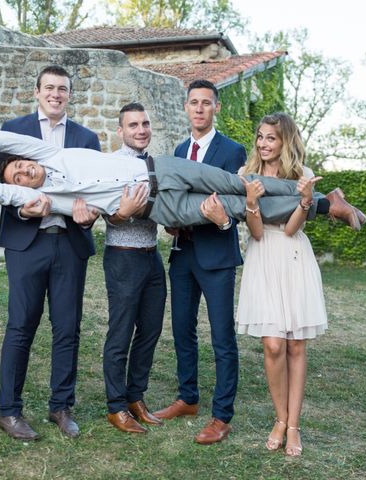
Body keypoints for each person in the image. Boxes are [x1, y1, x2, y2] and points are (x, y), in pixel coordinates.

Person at [0, 129, 363, 229]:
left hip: (161, 168)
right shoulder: (47, 195)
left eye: (21, 166)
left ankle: (322, 195)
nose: (24, 172)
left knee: (234, 182)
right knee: (235, 208)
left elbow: (5, 137)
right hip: (157, 207)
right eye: (19, 176)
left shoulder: (48, 151)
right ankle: (325, 207)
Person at [0, 65, 100, 440]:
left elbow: (96, 192)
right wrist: (22, 209)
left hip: (69, 242)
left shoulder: (87, 139)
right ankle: (9, 411)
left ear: (70, 95)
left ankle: (61, 406)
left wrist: (87, 220)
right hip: (27, 242)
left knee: (67, 328)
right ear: (37, 91)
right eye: (49, 88)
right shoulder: (13, 130)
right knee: (21, 326)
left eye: (63, 89)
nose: (56, 94)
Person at [153, 79, 246, 446]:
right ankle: (187, 398)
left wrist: (221, 219)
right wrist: (172, 224)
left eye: (206, 103)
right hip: (182, 253)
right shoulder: (178, 149)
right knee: (181, 330)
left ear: (216, 108)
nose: (199, 108)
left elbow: (239, 205)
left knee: (222, 337)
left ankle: (222, 415)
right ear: (186, 107)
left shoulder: (233, 151)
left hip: (217, 253)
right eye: (194, 102)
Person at [236, 112, 329, 457]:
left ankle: (292, 426)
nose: (263, 144)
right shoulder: (247, 176)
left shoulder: (302, 175)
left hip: (293, 257)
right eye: (260, 137)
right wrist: (250, 202)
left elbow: (291, 229)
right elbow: (257, 233)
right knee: (273, 345)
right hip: (263, 256)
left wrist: (306, 200)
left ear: (285, 141)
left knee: (295, 346)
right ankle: (279, 417)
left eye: (271, 138)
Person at [102, 103, 166, 434]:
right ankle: (116, 407)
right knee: (121, 332)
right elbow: (107, 214)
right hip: (123, 255)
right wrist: (122, 212)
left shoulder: (155, 165)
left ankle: (135, 397)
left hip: (152, 256)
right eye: (133, 125)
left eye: (145, 124)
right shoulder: (111, 164)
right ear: (121, 130)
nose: (140, 130)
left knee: (151, 330)